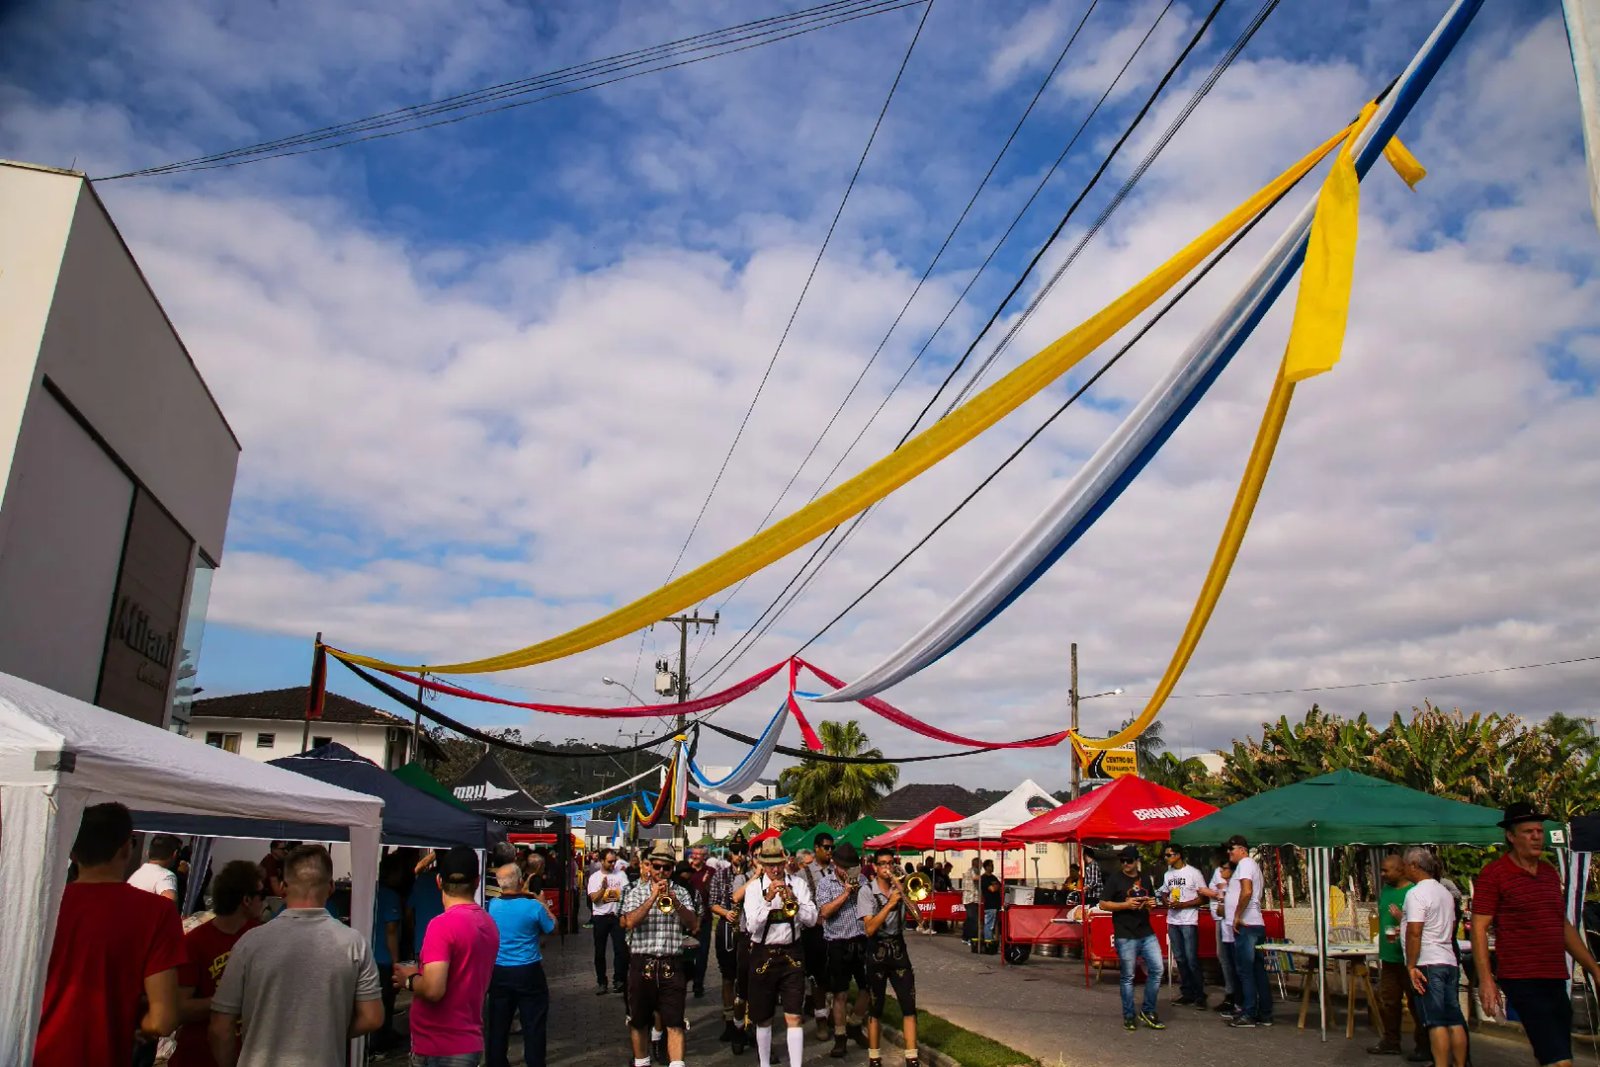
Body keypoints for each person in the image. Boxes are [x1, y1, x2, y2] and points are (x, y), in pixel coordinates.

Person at [34, 802, 185, 1067]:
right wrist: (140, 1024)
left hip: (29, 1052)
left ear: (73, 853)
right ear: (127, 848)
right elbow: (164, 1019)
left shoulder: (38, 904)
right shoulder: (157, 912)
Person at [208, 844, 384, 1066]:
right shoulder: (354, 944)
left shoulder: (249, 943)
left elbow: (220, 1027)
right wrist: (326, 1032)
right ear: (331, 887)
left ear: (283, 887)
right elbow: (372, 1017)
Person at [1471, 801, 1600, 1067]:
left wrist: (1594, 969)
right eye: (1529, 832)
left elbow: (1562, 926)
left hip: (1554, 975)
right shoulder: (1494, 874)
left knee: (1557, 1053)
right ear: (1511, 836)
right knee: (1559, 1059)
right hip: (1522, 977)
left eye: (1540, 831)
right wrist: (1486, 980)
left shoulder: (1549, 874)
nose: (1537, 837)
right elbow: (1479, 928)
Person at [392, 846, 501, 1067]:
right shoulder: (488, 923)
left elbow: (434, 989)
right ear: (477, 881)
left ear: (439, 881)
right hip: (468, 1039)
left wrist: (409, 979)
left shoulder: (441, 926)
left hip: (438, 1044)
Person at [171, 860, 263, 1067]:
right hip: (199, 1057)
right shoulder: (195, 942)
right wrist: (231, 1001)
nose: (264, 901)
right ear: (246, 900)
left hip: (245, 1055)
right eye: (261, 894)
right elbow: (180, 1007)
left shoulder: (259, 936)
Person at [620, 841, 699, 1067]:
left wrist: (676, 902)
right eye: (657, 867)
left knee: (674, 1022)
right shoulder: (636, 892)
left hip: (671, 965)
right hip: (642, 963)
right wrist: (652, 897)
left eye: (666, 867)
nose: (661, 872)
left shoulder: (681, 892)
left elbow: (693, 924)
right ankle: (642, 1062)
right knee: (639, 1022)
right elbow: (630, 922)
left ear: (672, 869)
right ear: (649, 867)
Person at [744, 837, 819, 1067]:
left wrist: (793, 900)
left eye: (778, 864)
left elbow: (812, 919)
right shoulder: (754, 888)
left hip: (791, 953)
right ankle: (764, 1064)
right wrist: (768, 900)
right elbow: (751, 926)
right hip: (763, 953)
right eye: (770, 865)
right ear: (762, 865)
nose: (775, 870)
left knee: (794, 1015)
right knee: (764, 1017)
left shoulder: (798, 884)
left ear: (785, 862)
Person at [1402, 848, 1467, 1067]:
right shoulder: (1444, 892)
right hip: (1448, 960)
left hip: (1428, 961)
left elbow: (1415, 932)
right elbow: (1451, 924)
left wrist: (1411, 965)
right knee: (1454, 1018)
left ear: (1414, 866)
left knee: (1436, 1021)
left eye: (1406, 865)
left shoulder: (1416, 893)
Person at [486, 862, 555, 1067]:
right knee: (534, 1023)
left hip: (499, 970)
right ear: (520, 880)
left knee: (498, 1023)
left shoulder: (492, 906)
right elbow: (552, 927)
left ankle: (496, 1062)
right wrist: (543, 903)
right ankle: (534, 1061)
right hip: (528, 970)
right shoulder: (533, 906)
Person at [859, 847, 919, 1067]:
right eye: (882, 864)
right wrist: (890, 903)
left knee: (909, 1004)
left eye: (890, 863)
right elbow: (869, 929)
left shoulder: (899, 889)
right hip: (877, 951)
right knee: (876, 1007)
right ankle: (874, 1058)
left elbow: (918, 917)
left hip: (898, 950)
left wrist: (903, 893)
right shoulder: (867, 891)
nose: (887, 868)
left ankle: (912, 1057)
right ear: (875, 867)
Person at [1368, 852, 1427, 1059]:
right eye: (1381, 870)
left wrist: (1402, 918)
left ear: (1401, 870)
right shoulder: (1385, 890)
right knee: (1388, 1001)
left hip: (1408, 958)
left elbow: (1420, 925)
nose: (1382, 874)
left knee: (1415, 1003)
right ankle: (1391, 1041)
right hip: (1389, 956)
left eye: (1386, 870)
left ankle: (1424, 1045)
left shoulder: (1413, 892)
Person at [1102, 845, 1165, 1032]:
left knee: (1157, 969)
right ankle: (1129, 1015)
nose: (1125, 864)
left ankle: (1148, 1010)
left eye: (1129, 860)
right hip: (1125, 934)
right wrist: (1125, 905)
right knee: (1128, 976)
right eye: (1122, 860)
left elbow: (1151, 902)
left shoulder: (1145, 878)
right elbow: (1103, 904)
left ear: (1137, 861)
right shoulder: (1115, 879)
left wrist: (1151, 903)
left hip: (1146, 931)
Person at [817, 842, 870, 1058]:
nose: (848, 871)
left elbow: (870, 907)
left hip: (861, 939)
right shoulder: (825, 883)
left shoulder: (863, 880)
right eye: (844, 867)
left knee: (868, 988)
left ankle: (855, 1024)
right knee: (841, 993)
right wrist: (846, 893)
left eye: (851, 867)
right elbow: (825, 912)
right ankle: (840, 1038)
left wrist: (860, 893)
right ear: (835, 865)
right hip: (838, 942)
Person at [1224, 835, 1273, 1027]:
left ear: (1242, 849)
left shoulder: (1245, 864)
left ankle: (1249, 1012)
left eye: (1232, 849)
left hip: (1247, 925)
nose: (1229, 852)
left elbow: (1247, 891)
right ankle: (1265, 1013)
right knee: (1257, 970)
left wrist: (1237, 915)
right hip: (1254, 923)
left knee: (1245, 971)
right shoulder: (1250, 865)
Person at [709, 838, 752, 1046]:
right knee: (728, 977)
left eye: (743, 852)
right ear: (730, 854)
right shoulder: (720, 874)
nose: (740, 856)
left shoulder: (752, 874)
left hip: (748, 929)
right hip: (727, 927)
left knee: (748, 976)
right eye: (736, 852)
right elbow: (712, 903)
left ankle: (747, 1022)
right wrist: (726, 913)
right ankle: (728, 1020)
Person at [1159, 843, 1207, 1009]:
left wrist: (1184, 905)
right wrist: (1165, 900)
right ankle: (1187, 992)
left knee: (1191, 958)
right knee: (1179, 958)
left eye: (1169, 855)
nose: (1166, 858)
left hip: (1188, 920)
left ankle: (1199, 994)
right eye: (1165, 855)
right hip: (1173, 920)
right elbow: (1164, 891)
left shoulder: (1194, 873)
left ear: (1178, 855)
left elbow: (1203, 897)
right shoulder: (1168, 874)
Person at [369, 853, 408, 1052]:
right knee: (385, 1002)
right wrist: (396, 961)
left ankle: (376, 1040)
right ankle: (380, 1043)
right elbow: (391, 930)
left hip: (368, 955)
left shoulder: (370, 891)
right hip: (383, 959)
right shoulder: (390, 896)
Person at [800, 840, 834, 1037]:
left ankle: (833, 1014)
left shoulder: (836, 870)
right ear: (817, 848)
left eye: (832, 848)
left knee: (835, 976)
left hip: (836, 929)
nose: (830, 851)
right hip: (814, 931)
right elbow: (800, 903)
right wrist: (815, 917)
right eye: (826, 847)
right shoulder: (803, 873)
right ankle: (821, 1020)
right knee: (817, 977)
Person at [589, 848, 631, 995]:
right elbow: (594, 899)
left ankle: (619, 980)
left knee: (621, 950)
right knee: (600, 952)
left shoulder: (620, 875)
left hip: (616, 917)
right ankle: (602, 982)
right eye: (610, 862)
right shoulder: (595, 877)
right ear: (602, 861)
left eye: (614, 861)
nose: (613, 864)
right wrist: (603, 889)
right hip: (600, 917)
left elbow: (627, 893)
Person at [1199, 858, 1238, 1015]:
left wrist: (1219, 894)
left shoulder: (1238, 875)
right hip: (1221, 920)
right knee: (1223, 957)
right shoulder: (1219, 873)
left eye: (1224, 870)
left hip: (1234, 921)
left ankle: (1239, 998)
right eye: (1220, 870)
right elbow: (1218, 897)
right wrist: (1219, 895)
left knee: (1236, 960)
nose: (1221, 873)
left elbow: (1231, 895)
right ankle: (1231, 994)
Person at [687, 845, 716, 999]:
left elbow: (714, 893)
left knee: (702, 954)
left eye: (699, 854)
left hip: (705, 919)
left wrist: (707, 885)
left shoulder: (711, 872)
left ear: (705, 856)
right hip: (687, 919)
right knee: (687, 953)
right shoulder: (686, 871)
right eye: (694, 853)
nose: (696, 856)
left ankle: (698, 984)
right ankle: (687, 978)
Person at [411, 849, 447, 959]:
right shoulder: (451, 883)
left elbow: (409, 912)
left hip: (422, 943)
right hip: (443, 945)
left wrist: (434, 855)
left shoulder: (422, 880)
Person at [129, 833, 183, 901]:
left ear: (147, 852)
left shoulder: (137, 874)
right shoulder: (165, 876)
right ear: (175, 854)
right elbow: (170, 900)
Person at [979, 860, 1001, 942]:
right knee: (989, 924)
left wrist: (997, 886)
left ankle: (995, 940)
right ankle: (988, 941)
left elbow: (1000, 886)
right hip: (990, 904)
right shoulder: (984, 878)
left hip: (997, 904)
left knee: (996, 923)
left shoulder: (994, 877)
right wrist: (996, 886)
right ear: (987, 867)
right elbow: (992, 889)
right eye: (991, 865)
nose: (993, 867)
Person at [960, 858, 981, 945]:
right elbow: (975, 878)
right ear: (976, 864)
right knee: (973, 920)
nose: (981, 866)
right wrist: (986, 876)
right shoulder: (973, 870)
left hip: (969, 899)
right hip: (971, 899)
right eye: (980, 863)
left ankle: (965, 937)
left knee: (969, 919)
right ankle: (971, 938)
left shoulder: (971, 870)